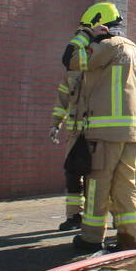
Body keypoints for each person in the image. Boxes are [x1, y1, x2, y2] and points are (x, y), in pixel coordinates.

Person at [62, 2, 136, 252]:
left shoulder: (104, 47)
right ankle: (130, 236)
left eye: (86, 28)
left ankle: (91, 239)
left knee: (97, 183)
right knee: (126, 185)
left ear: (98, 25)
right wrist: (134, 120)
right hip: (132, 133)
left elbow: (69, 60)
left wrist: (84, 37)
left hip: (104, 132)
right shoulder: (135, 49)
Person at [49, 64, 85, 231]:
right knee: (72, 174)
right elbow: (62, 100)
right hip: (74, 135)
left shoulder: (103, 69)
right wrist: (56, 124)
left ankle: (114, 216)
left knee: (99, 177)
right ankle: (74, 216)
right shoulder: (70, 75)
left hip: (96, 133)